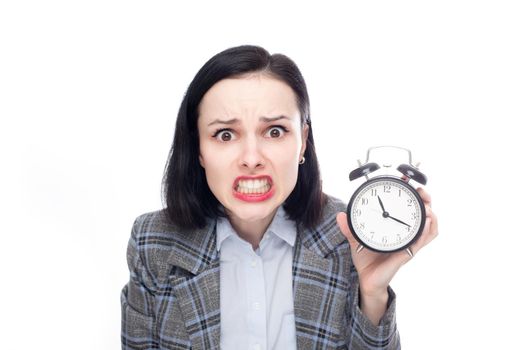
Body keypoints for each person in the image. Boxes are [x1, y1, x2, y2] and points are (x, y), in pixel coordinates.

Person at [120, 45, 438, 350]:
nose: (251, 158)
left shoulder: (349, 236)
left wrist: (372, 292)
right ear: (199, 149)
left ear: (302, 142)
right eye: (225, 134)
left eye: (274, 131)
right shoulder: (153, 242)